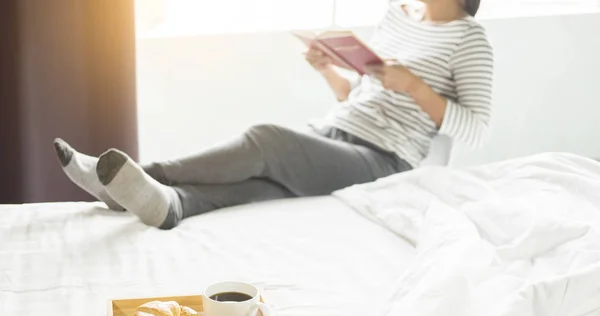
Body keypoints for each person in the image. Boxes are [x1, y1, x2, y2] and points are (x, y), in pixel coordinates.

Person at [53, 0, 493, 230]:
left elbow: (475, 128)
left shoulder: (470, 40)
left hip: (385, 160)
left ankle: (141, 177)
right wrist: (330, 71)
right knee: (268, 182)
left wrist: (415, 85)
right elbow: (361, 95)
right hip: (338, 132)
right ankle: (172, 206)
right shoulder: (398, 15)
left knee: (267, 141)